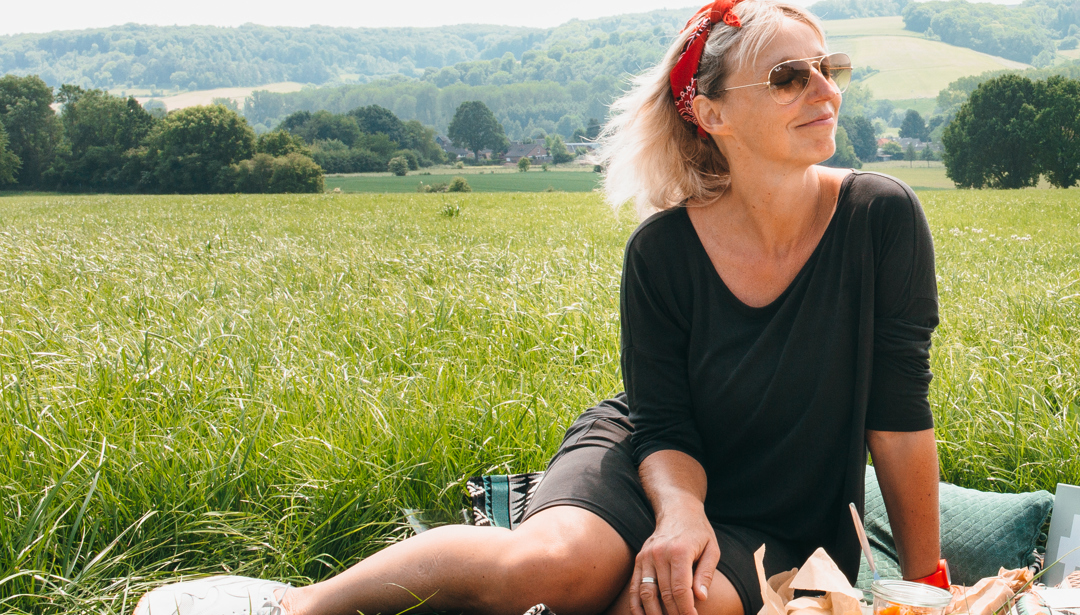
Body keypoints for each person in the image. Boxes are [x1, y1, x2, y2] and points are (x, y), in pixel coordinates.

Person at [135, 1, 944, 613]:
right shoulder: (663, 252)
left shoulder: (881, 218)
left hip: (780, 515)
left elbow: (899, 414)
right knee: (549, 567)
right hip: (653, 464)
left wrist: (928, 587)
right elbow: (661, 421)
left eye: (826, 67)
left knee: (670, 603)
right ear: (711, 112)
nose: (822, 90)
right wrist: (679, 513)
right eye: (788, 76)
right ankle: (292, 603)